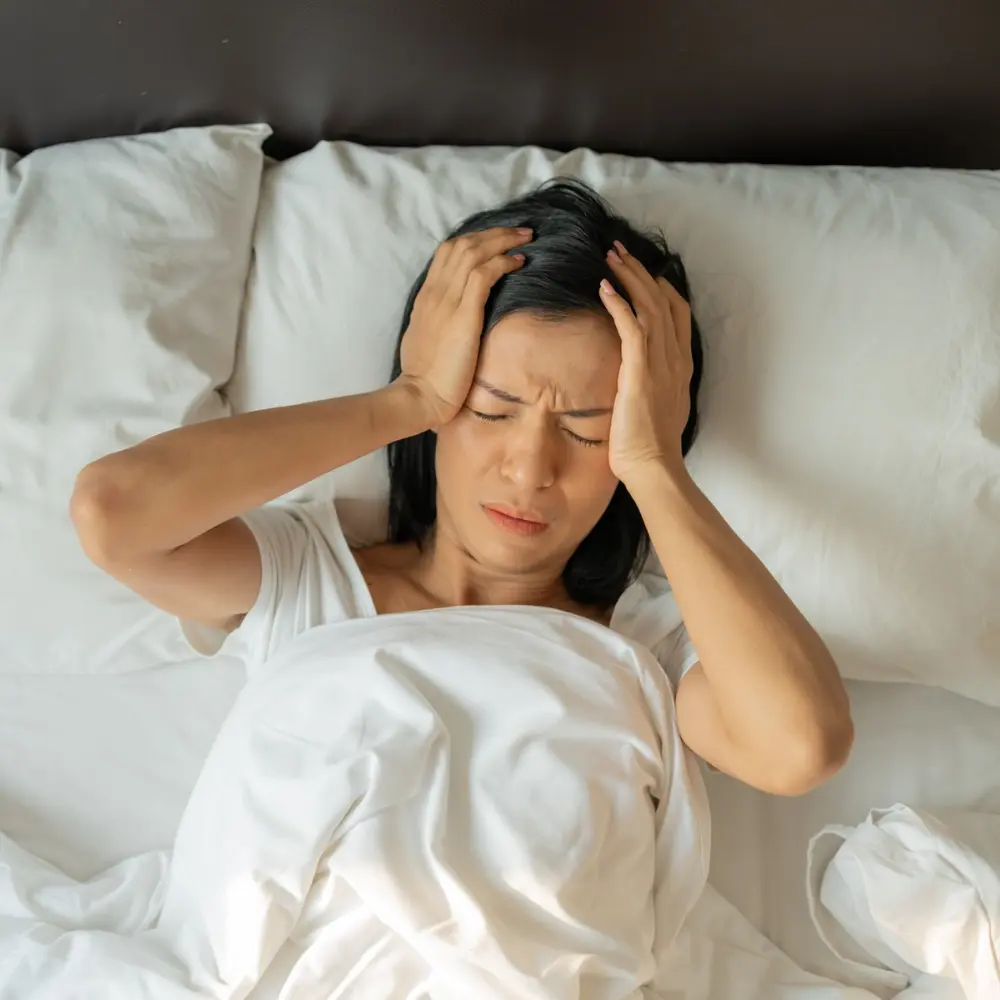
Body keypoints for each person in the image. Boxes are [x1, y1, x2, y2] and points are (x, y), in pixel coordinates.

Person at [71, 179, 853, 797]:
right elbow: (114, 514)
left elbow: (799, 746)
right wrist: (403, 401)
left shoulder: (649, 650)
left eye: (587, 430)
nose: (529, 468)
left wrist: (655, 465)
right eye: (490, 408)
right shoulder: (306, 577)